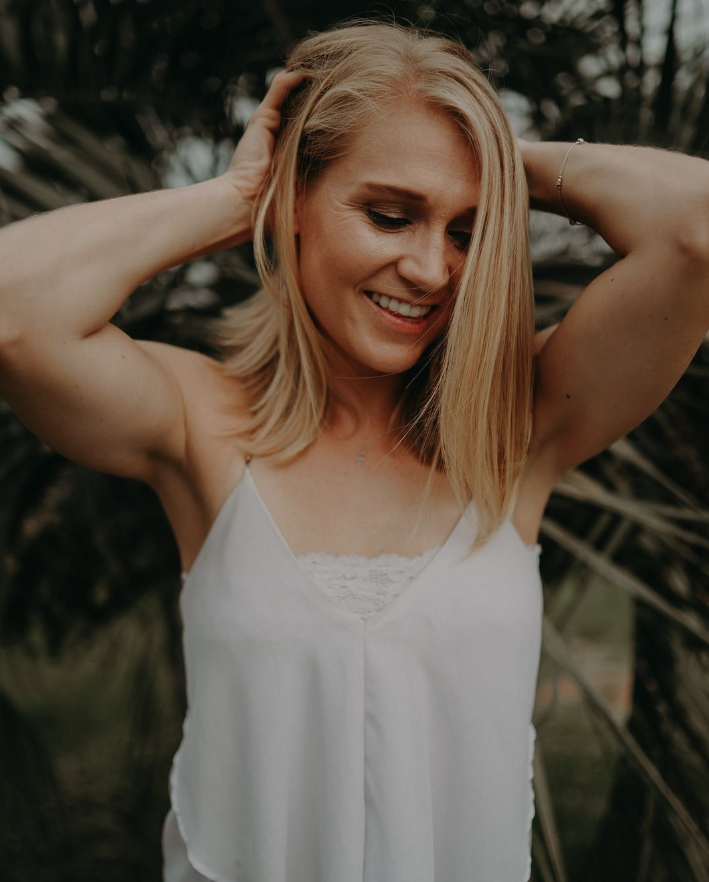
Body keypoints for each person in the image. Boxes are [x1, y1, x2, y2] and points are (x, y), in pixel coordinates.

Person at [1, 17, 708, 882]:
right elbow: (12, 314)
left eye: (464, 230)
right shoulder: (199, 421)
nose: (432, 269)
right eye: (389, 214)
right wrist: (231, 199)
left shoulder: (515, 425)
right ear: (294, 199)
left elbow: (696, 229)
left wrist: (491, 150)